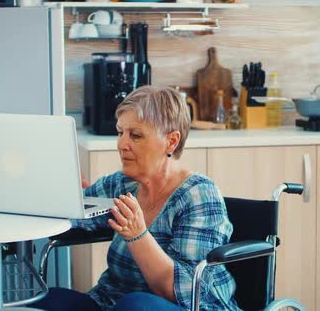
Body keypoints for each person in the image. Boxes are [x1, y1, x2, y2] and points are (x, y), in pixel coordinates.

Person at [33, 86, 239, 311]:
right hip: (112, 302)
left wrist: (138, 235)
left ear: (171, 142)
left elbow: (188, 294)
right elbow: (70, 213)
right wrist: (62, 193)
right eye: (120, 132)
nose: (122, 144)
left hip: (190, 307)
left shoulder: (198, 195)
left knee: (135, 305)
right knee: (48, 300)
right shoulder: (121, 184)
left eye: (136, 135)